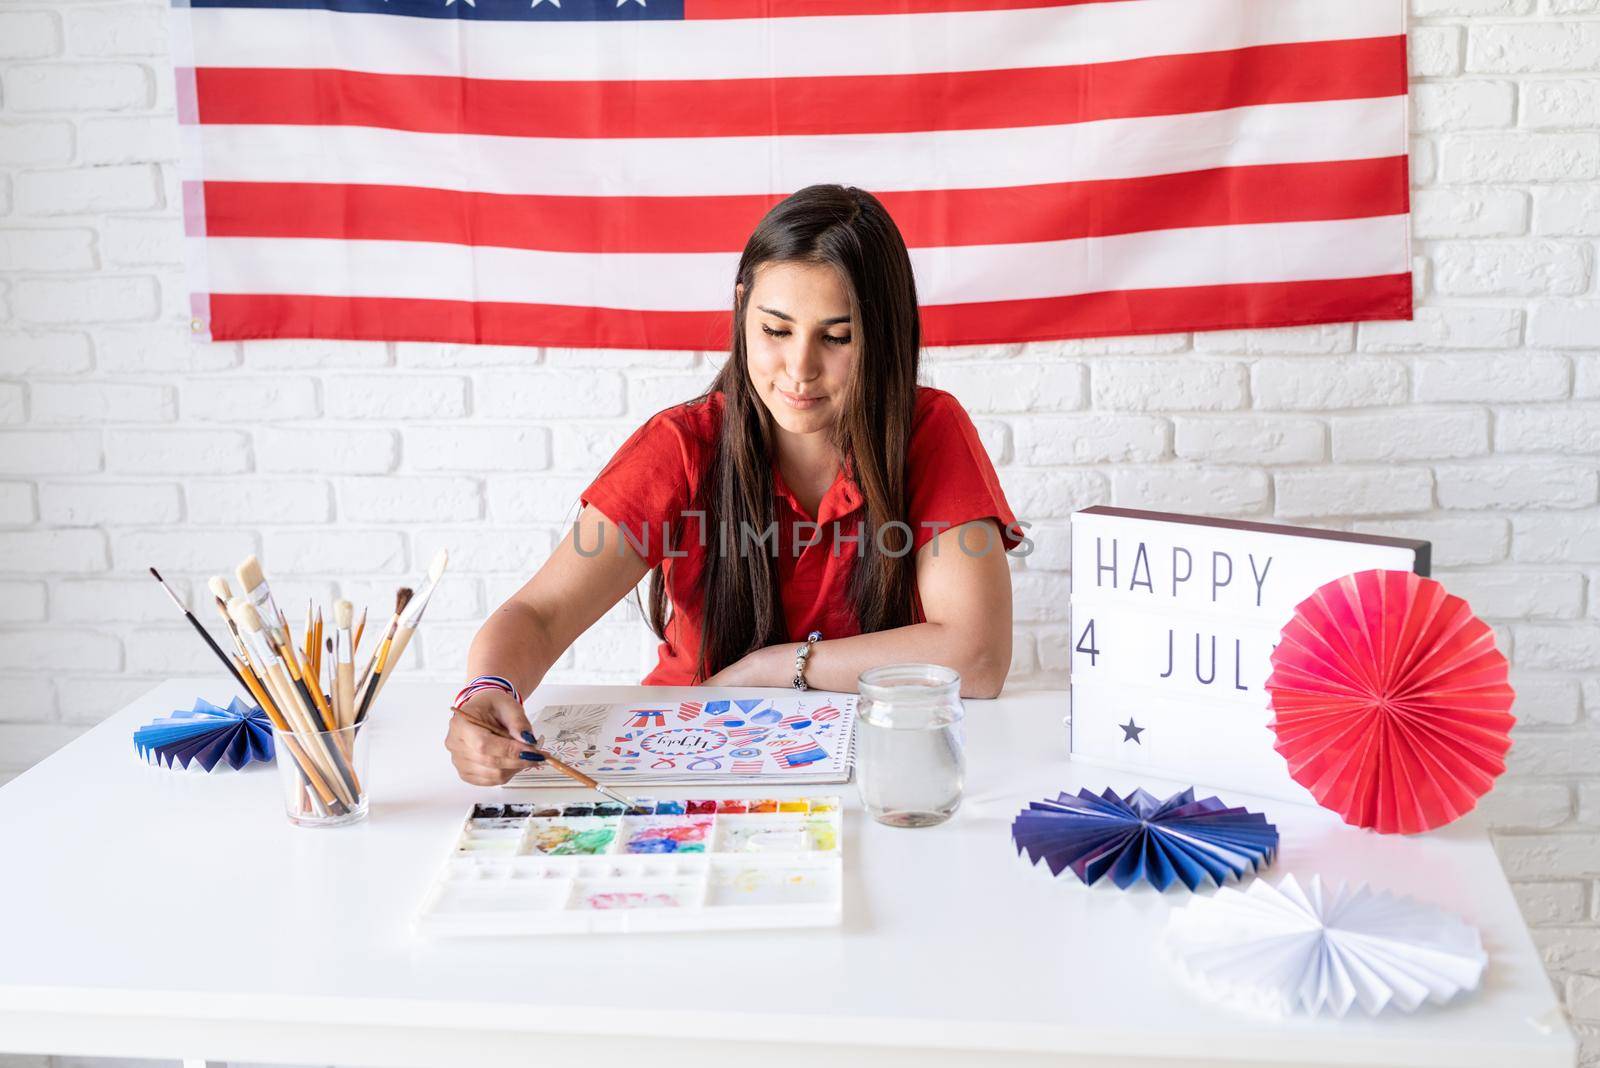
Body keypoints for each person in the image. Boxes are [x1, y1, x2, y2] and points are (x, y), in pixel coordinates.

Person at [446, 184, 1025, 786]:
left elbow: (977, 656)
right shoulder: (681, 444)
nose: (799, 370)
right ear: (743, 307)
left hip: (875, 769)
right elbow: (539, 615)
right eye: (776, 330)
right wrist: (487, 688)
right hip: (682, 762)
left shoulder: (930, 430)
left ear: (885, 333)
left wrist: (774, 669)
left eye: (837, 337)